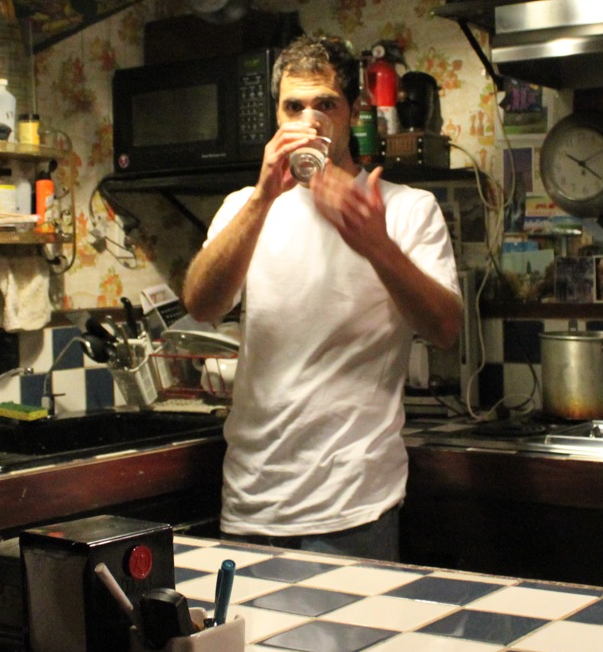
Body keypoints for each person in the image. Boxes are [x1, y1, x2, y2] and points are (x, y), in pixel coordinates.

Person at [183, 35, 462, 560]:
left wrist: (378, 245)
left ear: (353, 111)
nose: (307, 121)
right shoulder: (244, 205)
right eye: (293, 107)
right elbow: (202, 305)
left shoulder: (405, 209)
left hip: (352, 503)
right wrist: (263, 197)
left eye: (325, 105)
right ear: (277, 114)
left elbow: (445, 330)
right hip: (251, 497)